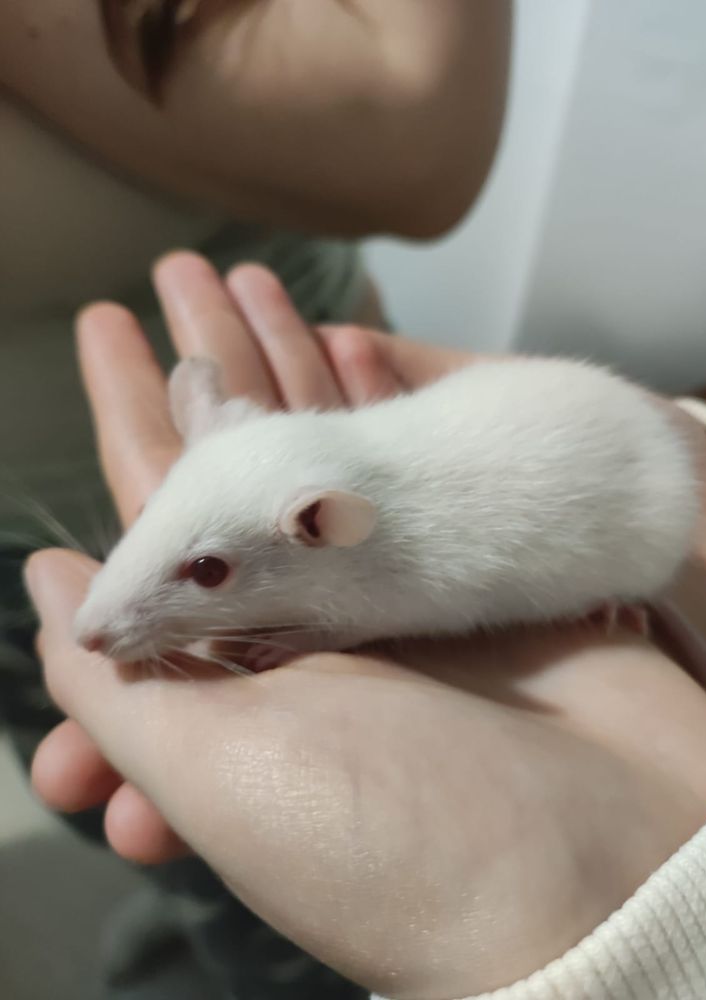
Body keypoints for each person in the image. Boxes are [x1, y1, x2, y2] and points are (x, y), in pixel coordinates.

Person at [26, 255, 706, 998]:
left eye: (207, 570)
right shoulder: (305, 497)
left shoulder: (392, 545)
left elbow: (448, 600)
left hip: (635, 484)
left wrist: (323, 636)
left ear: (320, 524)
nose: (100, 623)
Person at [0, 3, 509, 996]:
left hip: (305, 394)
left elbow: (420, 134)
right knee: (89, 775)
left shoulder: (342, 539)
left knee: (267, 861)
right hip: (37, 504)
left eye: (203, 567)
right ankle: (192, 911)